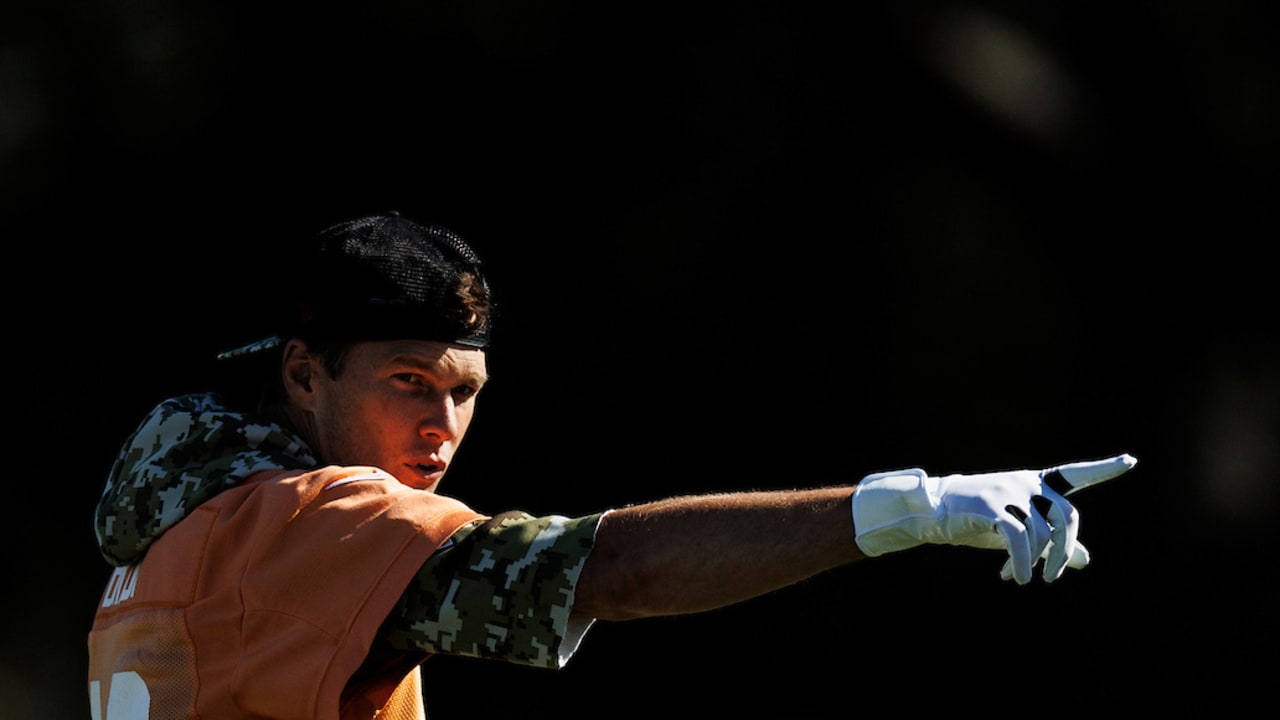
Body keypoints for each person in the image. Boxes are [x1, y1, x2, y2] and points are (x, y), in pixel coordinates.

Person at [87, 212, 1137, 719]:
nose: (442, 425)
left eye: (465, 391)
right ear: (304, 375)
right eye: (408, 380)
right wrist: (909, 509)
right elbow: (608, 571)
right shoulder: (307, 521)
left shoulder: (176, 518)